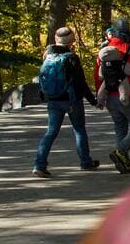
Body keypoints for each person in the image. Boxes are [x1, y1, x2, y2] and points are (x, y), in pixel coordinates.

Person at [33, 27, 100, 177]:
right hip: (71, 100)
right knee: (79, 130)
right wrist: (93, 101)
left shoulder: (48, 55)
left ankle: (39, 164)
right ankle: (85, 162)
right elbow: (81, 83)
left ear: (56, 39)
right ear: (71, 41)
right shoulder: (71, 57)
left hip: (53, 100)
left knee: (51, 132)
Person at [94, 17, 130, 174]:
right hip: (129, 94)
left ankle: (123, 162)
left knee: (120, 127)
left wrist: (99, 96)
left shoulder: (105, 49)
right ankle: (120, 151)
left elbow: (98, 75)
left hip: (109, 95)